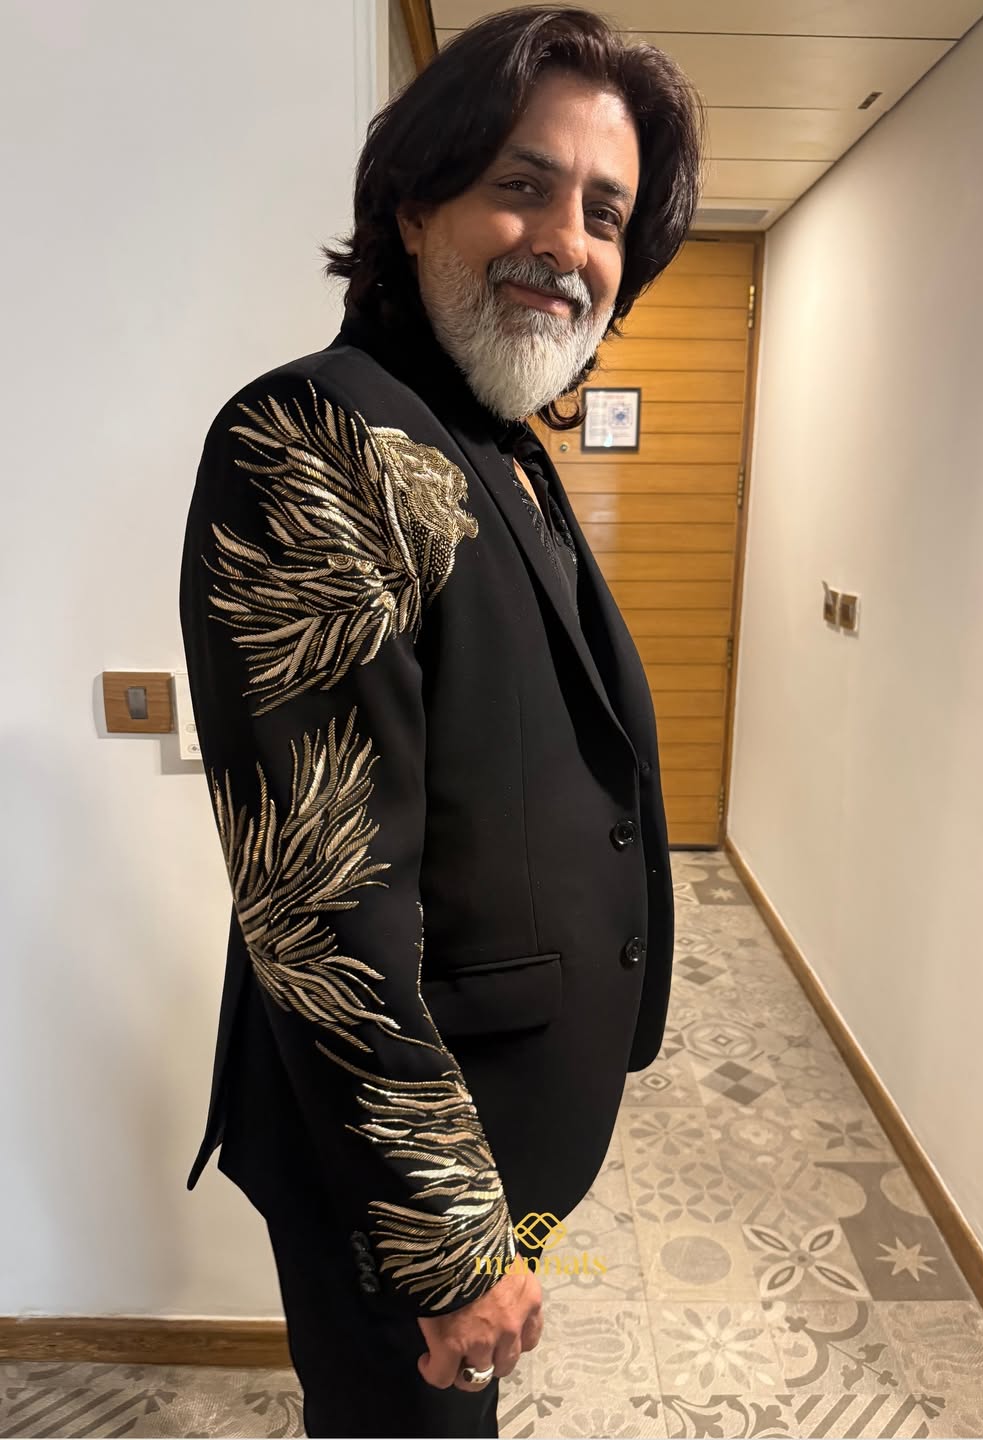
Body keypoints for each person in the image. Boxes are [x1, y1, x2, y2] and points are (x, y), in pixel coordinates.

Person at [179, 6, 703, 1435]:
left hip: (494, 1126)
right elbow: (320, 902)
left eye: (605, 212)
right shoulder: (316, 440)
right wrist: (451, 1247)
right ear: (414, 207)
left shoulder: (492, 438)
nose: (567, 242)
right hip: (398, 1181)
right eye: (522, 185)